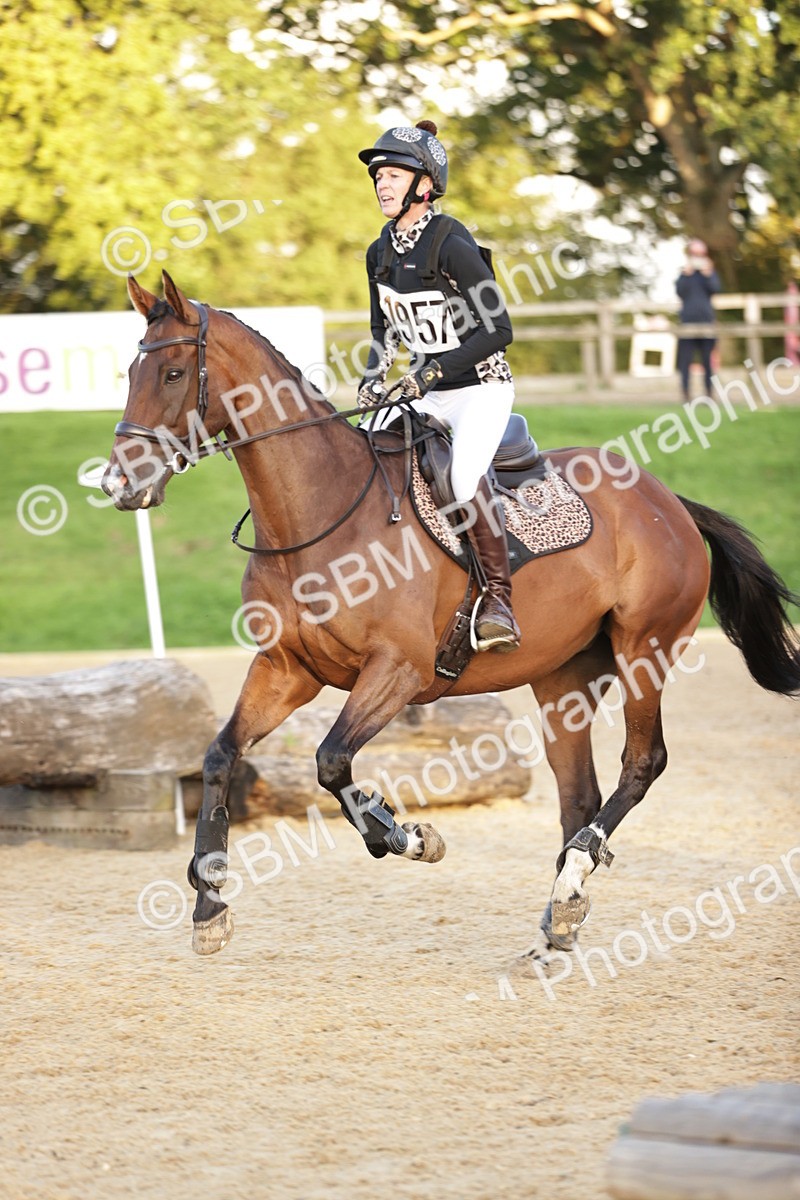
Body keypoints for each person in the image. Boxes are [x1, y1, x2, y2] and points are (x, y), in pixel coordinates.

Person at [356, 119, 521, 653]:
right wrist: (372, 377)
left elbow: (500, 330)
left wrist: (427, 373)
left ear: (424, 184)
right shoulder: (379, 250)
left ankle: (499, 597)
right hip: (426, 392)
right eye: (379, 175)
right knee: (362, 452)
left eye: (394, 174)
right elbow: (383, 329)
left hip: (481, 389)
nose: (382, 184)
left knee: (463, 476)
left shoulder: (452, 243)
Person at [676, 238, 721, 401]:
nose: (697, 256)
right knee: (685, 360)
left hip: (706, 321)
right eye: (694, 253)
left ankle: (709, 393)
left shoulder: (709, 273)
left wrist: (708, 275)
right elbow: (680, 292)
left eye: (701, 253)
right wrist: (685, 275)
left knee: (708, 361)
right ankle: (685, 394)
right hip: (687, 321)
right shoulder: (684, 273)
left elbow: (715, 289)